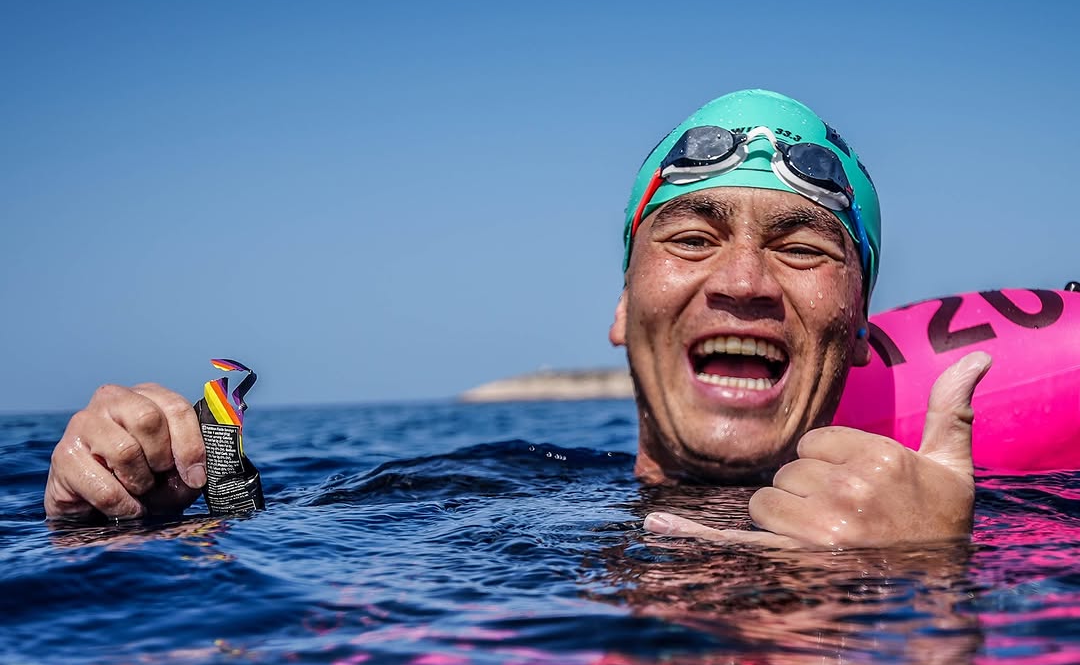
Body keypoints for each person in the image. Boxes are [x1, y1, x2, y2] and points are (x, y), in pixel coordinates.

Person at [44, 89, 989, 548]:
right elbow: (258, 555)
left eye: (802, 248)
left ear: (857, 326)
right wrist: (141, 506)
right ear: (622, 306)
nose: (743, 280)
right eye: (692, 238)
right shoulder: (470, 501)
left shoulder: (1001, 538)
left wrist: (930, 579)